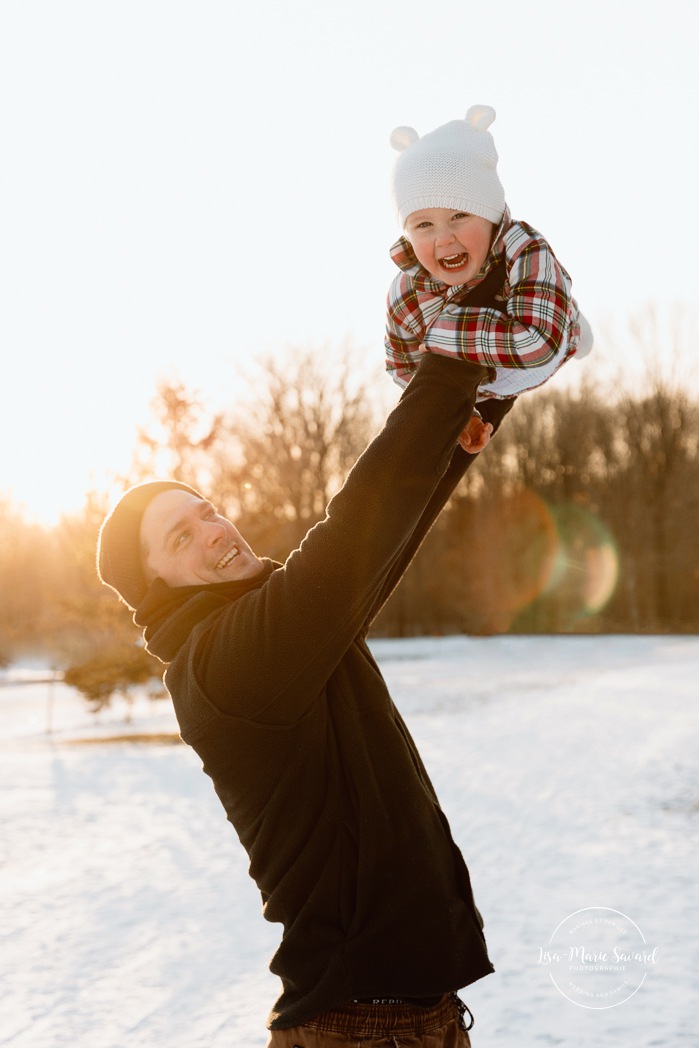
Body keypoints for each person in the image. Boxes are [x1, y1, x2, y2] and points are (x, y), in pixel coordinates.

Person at [97, 352, 513, 1047]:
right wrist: (449, 362)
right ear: (156, 584)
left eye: (208, 513)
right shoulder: (223, 664)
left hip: (408, 1018)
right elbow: (355, 534)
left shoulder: (279, 632)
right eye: (181, 537)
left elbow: (386, 540)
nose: (216, 533)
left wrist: (485, 397)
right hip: (359, 1029)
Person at [385, 104, 593, 453]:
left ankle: (576, 320)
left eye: (459, 215)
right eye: (424, 225)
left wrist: (442, 334)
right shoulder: (407, 293)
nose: (443, 238)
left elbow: (538, 344)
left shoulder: (524, 248)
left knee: (578, 339)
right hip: (491, 382)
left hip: (552, 341)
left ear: (491, 215)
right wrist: (462, 414)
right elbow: (401, 365)